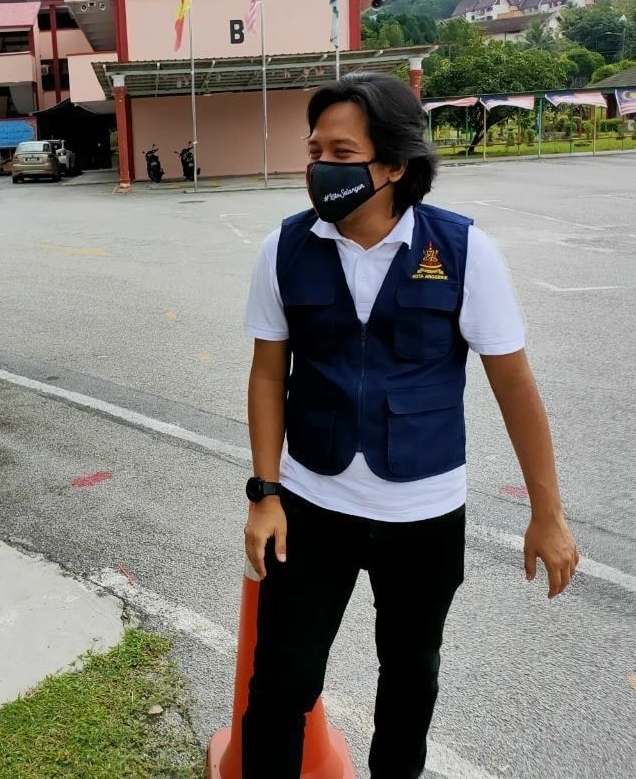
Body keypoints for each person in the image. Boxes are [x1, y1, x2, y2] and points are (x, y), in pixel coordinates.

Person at [241, 74, 578, 778]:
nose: (320, 167)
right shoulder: (284, 249)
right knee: (279, 685)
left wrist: (548, 514)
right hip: (312, 506)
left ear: (394, 164)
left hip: (422, 515)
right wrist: (265, 493)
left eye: (342, 150)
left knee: (409, 684)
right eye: (315, 149)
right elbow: (270, 373)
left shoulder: (462, 251)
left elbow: (514, 386)